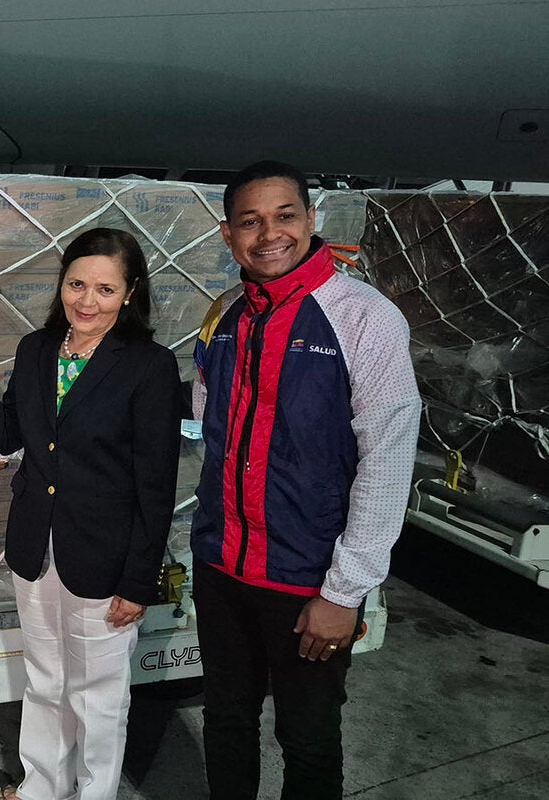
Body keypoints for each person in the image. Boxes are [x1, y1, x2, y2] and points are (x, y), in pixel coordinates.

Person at [0, 228, 182, 800]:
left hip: (104, 559)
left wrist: (139, 581)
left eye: (106, 290)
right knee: (45, 680)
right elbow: (12, 434)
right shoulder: (37, 350)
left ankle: (93, 794)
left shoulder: (148, 367)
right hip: (36, 549)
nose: (87, 301)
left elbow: (155, 487)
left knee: (98, 694)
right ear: (62, 284)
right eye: (77, 284)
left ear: (130, 293)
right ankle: (41, 787)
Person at [191, 160, 420, 798]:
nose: (270, 234)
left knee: (309, 738)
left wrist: (346, 592)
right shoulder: (227, 315)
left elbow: (388, 459)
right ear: (227, 233)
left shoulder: (363, 318)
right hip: (222, 569)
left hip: (307, 582)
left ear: (312, 220)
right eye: (250, 221)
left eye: (285, 216)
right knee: (227, 720)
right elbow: (208, 429)